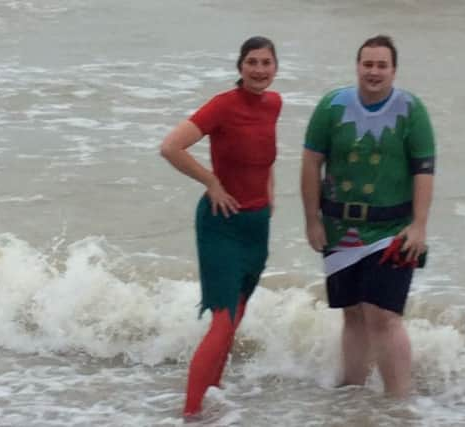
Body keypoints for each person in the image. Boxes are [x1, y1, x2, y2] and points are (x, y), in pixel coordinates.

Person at [300, 35, 435, 398]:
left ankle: (399, 401)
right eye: (368, 64)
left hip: (393, 231)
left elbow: (424, 170)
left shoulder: (412, 110)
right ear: (358, 66)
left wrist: (419, 225)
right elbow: (311, 163)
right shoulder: (331, 106)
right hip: (339, 228)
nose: (374, 72)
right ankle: (352, 395)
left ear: (394, 70)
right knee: (352, 314)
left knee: (384, 315)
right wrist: (312, 220)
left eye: (381, 65)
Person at [160, 36, 281, 418]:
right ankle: (191, 413)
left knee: (237, 314)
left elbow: (264, 159)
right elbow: (171, 147)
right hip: (221, 223)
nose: (259, 70)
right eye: (252, 62)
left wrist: (270, 196)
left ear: (275, 67)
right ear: (240, 67)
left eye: (266, 62)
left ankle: (214, 390)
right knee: (223, 317)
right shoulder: (223, 106)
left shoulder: (274, 104)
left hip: (256, 225)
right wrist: (212, 183)